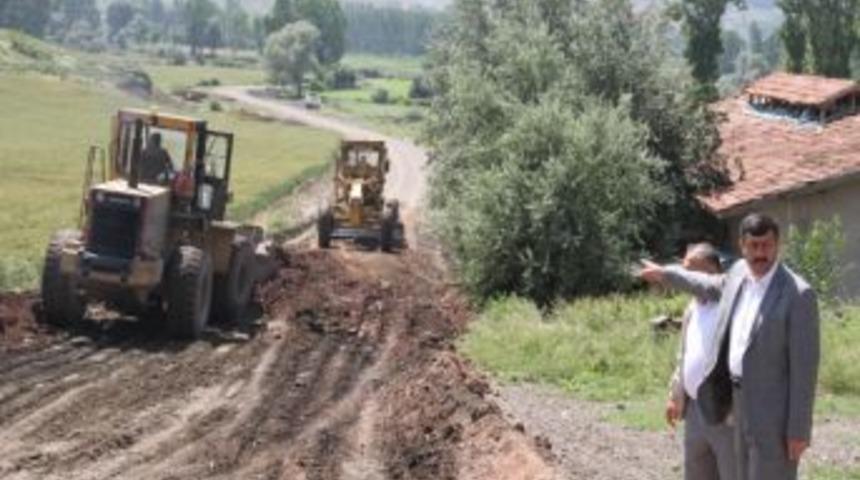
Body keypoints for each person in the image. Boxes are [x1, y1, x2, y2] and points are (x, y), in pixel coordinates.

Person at [639, 213, 820, 480]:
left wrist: (798, 430)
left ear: (778, 245)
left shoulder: (798, 294)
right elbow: (704, 282)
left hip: (772, 411)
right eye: (754, 246)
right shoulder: (738, 274)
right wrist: (666, 274)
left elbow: (805, 370)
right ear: (742, 246)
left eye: (767, 245)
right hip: (733, 402)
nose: (761, 253)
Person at [667, 243, 736, 480]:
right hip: (695, 410)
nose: (685, 279)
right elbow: (684, 354)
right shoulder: (692, 308)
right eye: (684, 272)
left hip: (726, 411)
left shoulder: (731, 308)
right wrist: (675, 394)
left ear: (712, 272)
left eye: (691, 272)